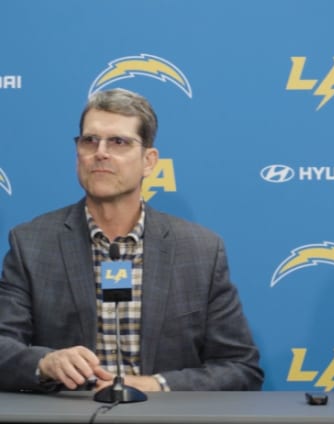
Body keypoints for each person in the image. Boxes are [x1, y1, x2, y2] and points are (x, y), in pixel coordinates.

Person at [0, 88, 263, 393]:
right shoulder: (31, 243)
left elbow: (240, 368)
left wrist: (155, 385)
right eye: (89, 140)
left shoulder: (201, 251)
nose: (100, 152)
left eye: (119, 142)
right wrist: (44, 363)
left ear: (149, 161)